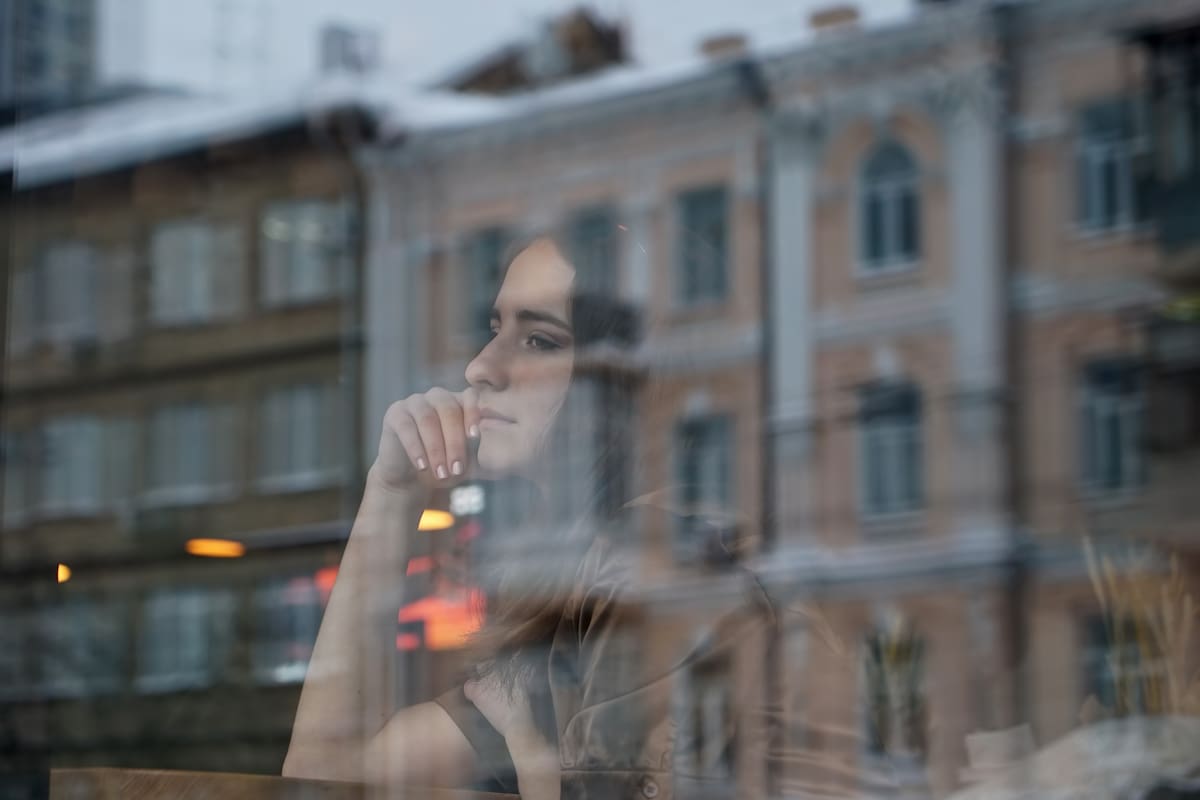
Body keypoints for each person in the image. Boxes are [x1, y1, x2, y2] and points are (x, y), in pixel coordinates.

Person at [283, 233, 769, 799]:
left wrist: (538, 771)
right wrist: (391, 492)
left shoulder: (646, 584)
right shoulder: (552, 619)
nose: (481, 367)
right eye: (496, 330)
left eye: (539, 340)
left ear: (628, 379)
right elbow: (320, 778)